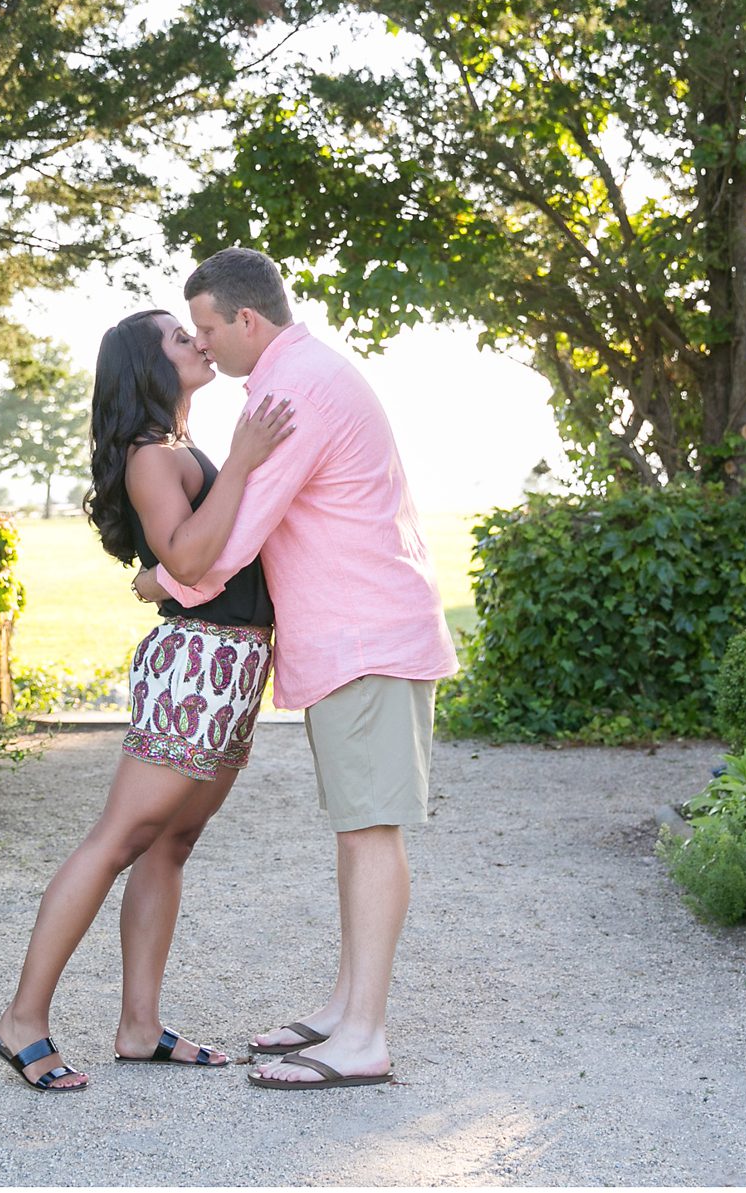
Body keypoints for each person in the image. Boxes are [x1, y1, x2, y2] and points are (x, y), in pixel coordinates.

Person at [136, 246, 458, 1091]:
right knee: (359, 826)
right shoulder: (300, 376)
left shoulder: (292, 388)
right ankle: (347, 1007)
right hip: (355, 638)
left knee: (370, 828)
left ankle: (363, 1036)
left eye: (207, 327)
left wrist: (161, 578)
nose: (203, 345)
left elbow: (238, 532)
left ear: (247, 319)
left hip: (367, 637)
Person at [0, 307, 295, 1092]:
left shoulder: (178, 448)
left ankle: (138, 1025)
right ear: (143, 365)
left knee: (170, 845)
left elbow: (204, 557)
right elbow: (190, 554)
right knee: (119, 837)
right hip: (195, 664)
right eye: (175, 335)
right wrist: (245, 459)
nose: (196, 341)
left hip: (233, 664)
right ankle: (22, 1018)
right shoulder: (151, 457)